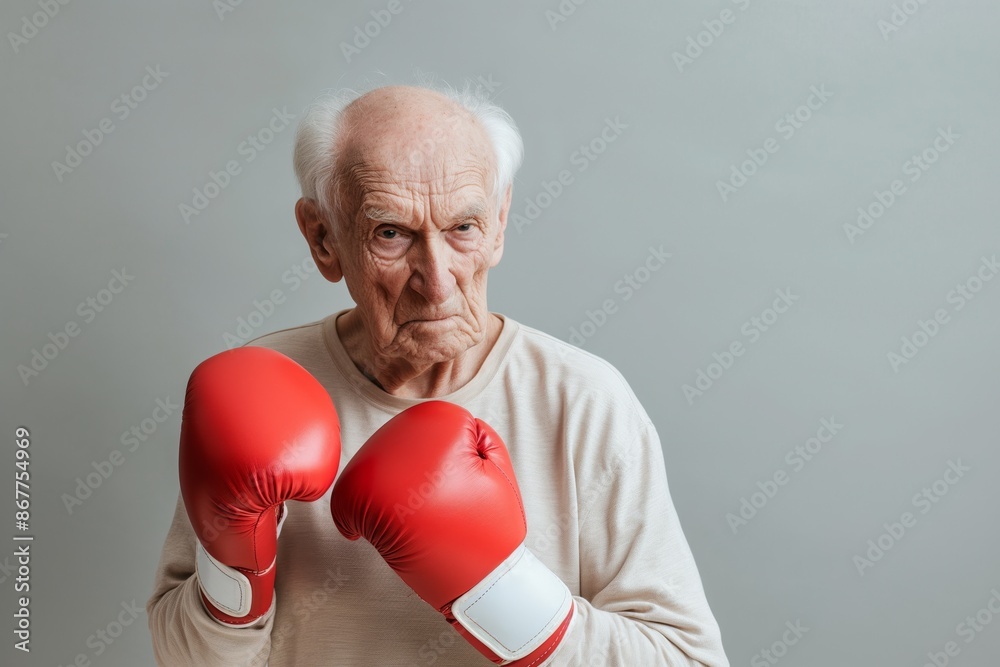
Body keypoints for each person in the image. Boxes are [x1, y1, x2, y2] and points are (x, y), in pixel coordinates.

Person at [147, 81, 730, 666]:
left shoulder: (582, 403)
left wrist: (506, 595)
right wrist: (234, 573)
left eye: (463, 228)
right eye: (392, 234)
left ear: (499, 223)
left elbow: (688, 660)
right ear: (323, 239)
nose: (438, 277)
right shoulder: (260, 393)